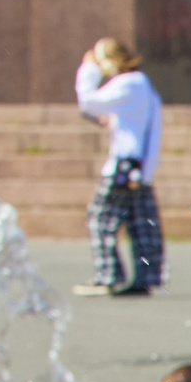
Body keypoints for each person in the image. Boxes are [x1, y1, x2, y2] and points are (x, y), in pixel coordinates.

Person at [74, 36, 164, 298]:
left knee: (100, 217)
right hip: (139, 164)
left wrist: (88, 69)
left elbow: (87, 101)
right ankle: (145, 277)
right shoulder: (141, 84)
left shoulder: (127, 84)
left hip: (124, 165)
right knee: (140, 222)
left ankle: (108, 275)